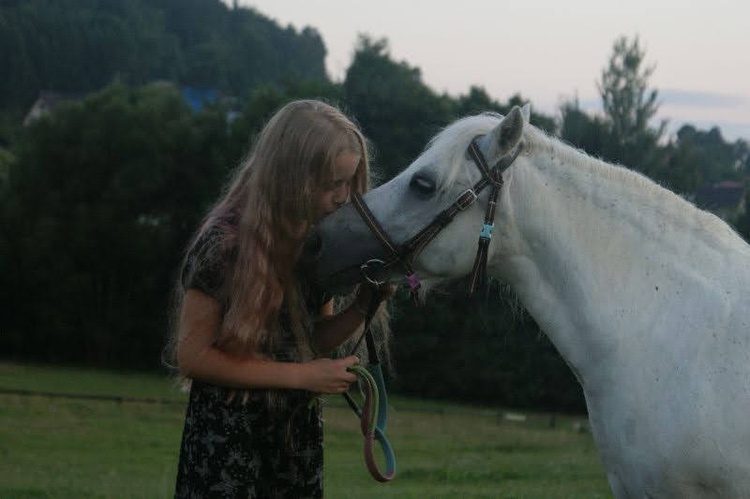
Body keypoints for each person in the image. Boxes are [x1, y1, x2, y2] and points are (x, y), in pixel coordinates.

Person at [168, 99, 389, 498]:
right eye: (331, 184)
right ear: (291, 176)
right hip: (227, 441)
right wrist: (303, 376)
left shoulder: (314, 245)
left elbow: (310, 340)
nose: (342, 197)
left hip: (294, 439)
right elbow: (193, 357)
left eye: (348, 182)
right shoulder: (223, 246)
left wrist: (362, 306)